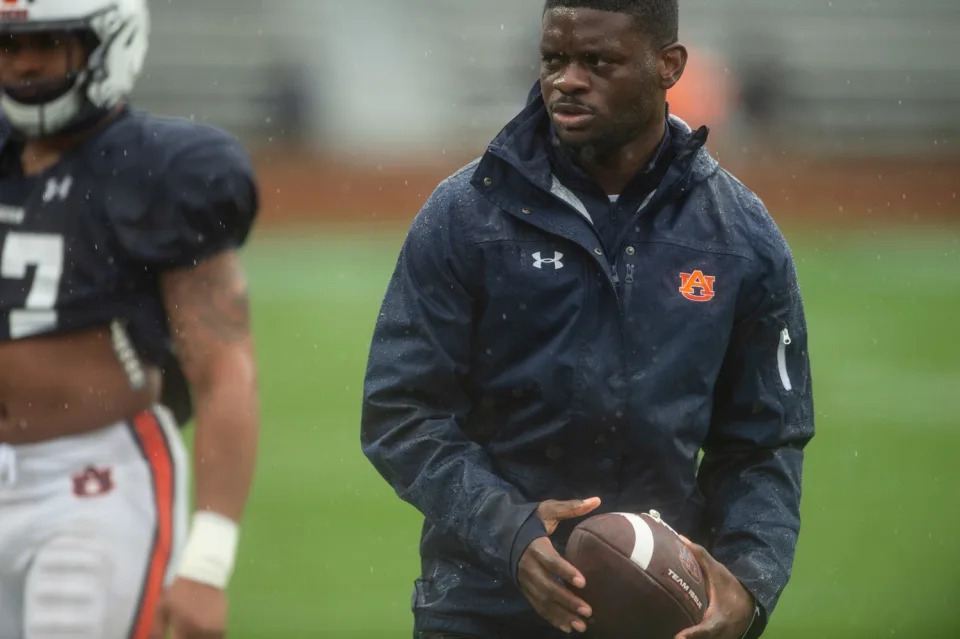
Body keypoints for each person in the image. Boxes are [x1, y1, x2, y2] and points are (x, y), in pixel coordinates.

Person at [361, 1, 814, 638]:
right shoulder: (465, 216)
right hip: (481, 607)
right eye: (554, 59)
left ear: (668, 66)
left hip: (661, 613)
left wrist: (749, 582)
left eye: (597, 61)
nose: (566, 80)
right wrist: (509, 533)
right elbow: (402, 411)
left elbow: (763, 440)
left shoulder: (740, 236)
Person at [0, 1, 259, 638]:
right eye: (8, 46)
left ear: (106, 43)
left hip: (91, 484)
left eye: (49, 43)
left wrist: (207, 561)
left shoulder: (160, 169)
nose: (24, 63)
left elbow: (225, 371)